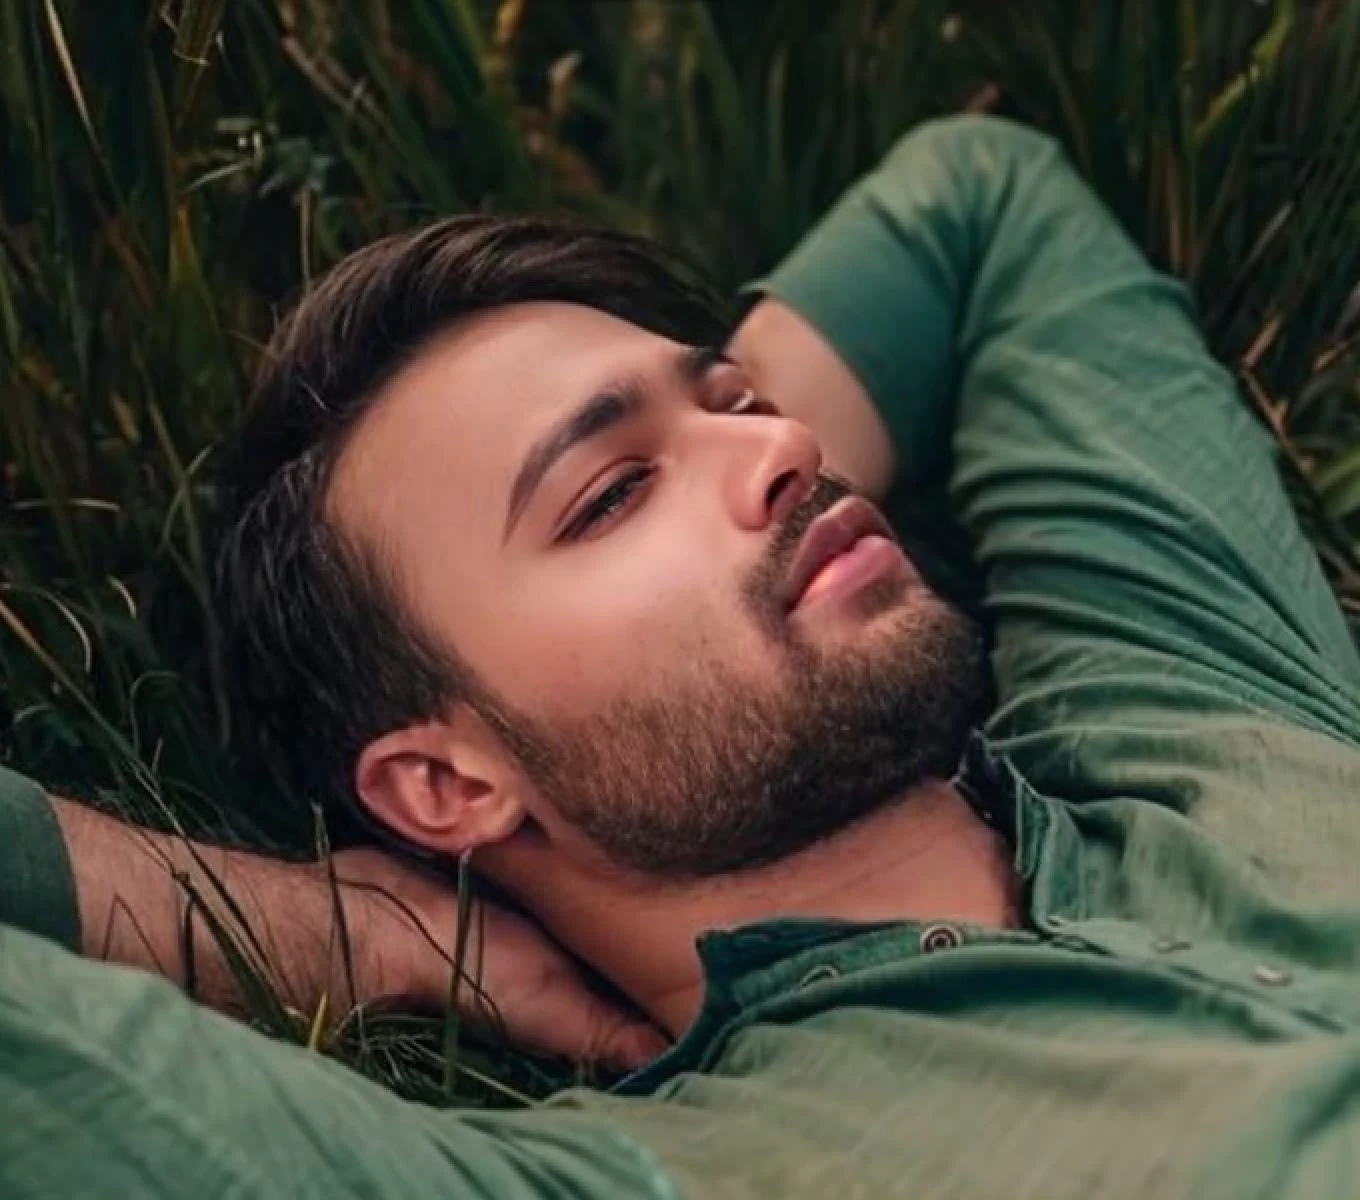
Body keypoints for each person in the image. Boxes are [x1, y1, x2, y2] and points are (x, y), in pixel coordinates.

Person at [4, 112, 1360, 1198]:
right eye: (607, 496)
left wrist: (710, 489)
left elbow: (982, 203)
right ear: (447, 786)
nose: (787, 452)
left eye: (744, 405)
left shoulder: (1183, 699)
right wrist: (348, 932)